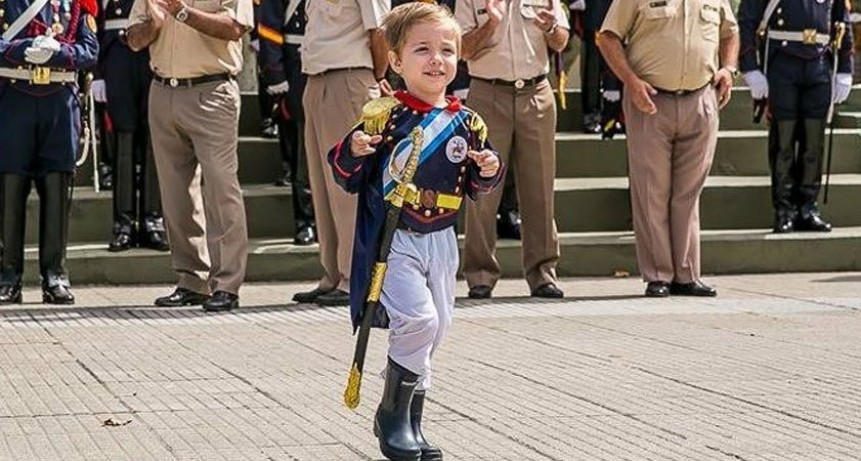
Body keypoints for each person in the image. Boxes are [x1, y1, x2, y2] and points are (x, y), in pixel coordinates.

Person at [329, 4, 502, 459]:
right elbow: (345, 172)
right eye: (422, 49)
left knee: (437, 325)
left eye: (447, 50)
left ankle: (411, 422)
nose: (436, 60)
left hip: (442, 238)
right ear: (396, 60)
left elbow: (478, 184)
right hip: (396, 239)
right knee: (418, 320)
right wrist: (354, 148)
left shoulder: (469, 123)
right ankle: (392, 418)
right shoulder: (385, 117)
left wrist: (488, 166)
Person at [597, 0, 739, 298]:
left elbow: (730, 32)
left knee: (689, 192)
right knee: (652, 191)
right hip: (650, 100)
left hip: (701, 99)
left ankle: (686, 274)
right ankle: (659, 274)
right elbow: (608, 37)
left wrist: (728, 68)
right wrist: (631, 81)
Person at [127, 0, 252, 312]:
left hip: (212, 90)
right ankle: (192, 280)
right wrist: (154, 25)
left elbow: (235, 27)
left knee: (221, 190)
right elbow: (134, 39)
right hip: (163, 90)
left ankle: (226, 284)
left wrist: (183, 12)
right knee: (175, 194)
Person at [456, 0, 569, 300]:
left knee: (540, 189)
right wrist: (491, 24)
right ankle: (480, 275)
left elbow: (561, 41)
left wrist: (551, 28)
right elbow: (462, 49)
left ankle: (543, 274)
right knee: (482, 191)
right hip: (488, 91)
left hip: (536, 92)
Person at [291, 0, 390, 307]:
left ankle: (354, 279)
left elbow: (379, 31)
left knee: (348, 190)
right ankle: (333, 274)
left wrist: (374, 77)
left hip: (350, 78)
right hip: (316, 79)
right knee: (322, 185)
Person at [0, 0, 99, 305]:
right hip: (14, 100)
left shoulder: (76, 3)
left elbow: (90, 51)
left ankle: (55, 276)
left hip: (59, 103)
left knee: (56, 191)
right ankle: (8, 277)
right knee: (10, 190)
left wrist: (59, 53)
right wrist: (22, 49)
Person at [738, 0, 854, 234]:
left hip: (819, 63)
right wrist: (750, 67)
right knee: (784, 141)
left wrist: (845, 68)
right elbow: (747, 20)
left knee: (813, 143)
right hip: (783, 63)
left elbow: (842, 21)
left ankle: (808, 208)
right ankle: (785, 209)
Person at [93, 0, 170, 253]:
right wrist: (96, 73)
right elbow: (91, 23)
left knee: (153, 138)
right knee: (123, 139)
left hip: (155, 53)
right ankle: (123, 224)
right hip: (117, 54)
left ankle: (152, 219)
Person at [256, 0, 316, 246]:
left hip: (335, 66)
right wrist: (275, 74)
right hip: (296, 68)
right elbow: (269, 27)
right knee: (300, 154)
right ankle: (305, 220)